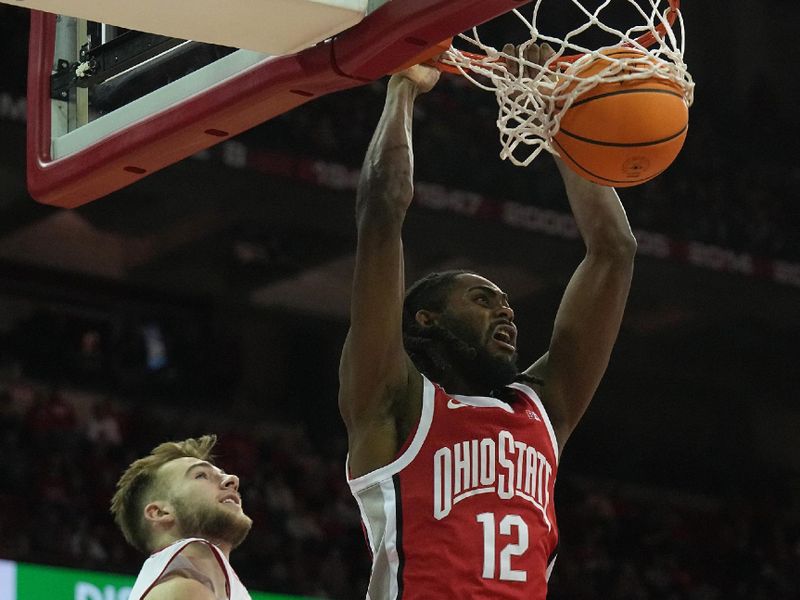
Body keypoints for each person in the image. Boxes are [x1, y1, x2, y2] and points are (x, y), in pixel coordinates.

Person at [339, 44, 637, 599]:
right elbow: (381, 212)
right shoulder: (393, 400)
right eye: (481, 299)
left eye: (506, 304)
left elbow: (614, 250)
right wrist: (403, 88)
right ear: (425, 320)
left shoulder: (542, 409)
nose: (504, 310)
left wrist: (554, 111)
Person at [110, 434, 253, 600]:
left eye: (222, 474)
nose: (232, 479)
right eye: (201, 475)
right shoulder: (183, 591)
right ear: (160, 512)